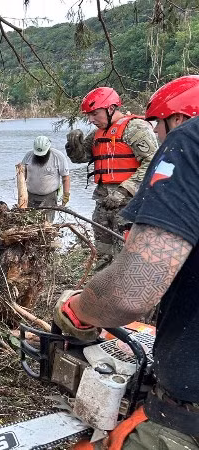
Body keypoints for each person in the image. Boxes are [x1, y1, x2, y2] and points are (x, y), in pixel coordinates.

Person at [54, 76, 199, 449]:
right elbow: (83, 156)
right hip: (108, 203)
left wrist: (81, 308)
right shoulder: (101, 133)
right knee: (108, 256)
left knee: (131, 267)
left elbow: (133, 290)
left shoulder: (182, 141)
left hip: (188, 403)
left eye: (161, 125)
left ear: (179, 118)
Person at [65, 87, 158, 267]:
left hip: (130, 204)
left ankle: (130, 290)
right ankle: (103, 287)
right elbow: (81, 158)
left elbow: (152, 163)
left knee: (128, 254)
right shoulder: (98, 133)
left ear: (110, 108)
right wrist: (73, 145)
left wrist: (123, 190)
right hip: (103, 203)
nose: (90, 120)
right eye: (88, 115)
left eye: (94, 114)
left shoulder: (135, 128)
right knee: (103, 253)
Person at [21, 135, 71, 222]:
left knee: (46, 223)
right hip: (30, 195)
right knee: (29, 221)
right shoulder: (28, 156)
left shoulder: (58, 157)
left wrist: (66, 195)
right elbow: (22, 175)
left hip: (49, 197)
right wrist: (22, 194)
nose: (40, 156)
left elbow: (65, 177)